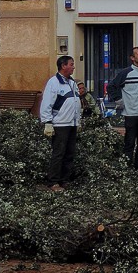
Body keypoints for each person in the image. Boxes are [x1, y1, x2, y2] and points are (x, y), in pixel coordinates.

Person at [39, 56, 82, 191]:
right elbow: (47, 103)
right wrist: (47, 122)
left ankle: (64, 180)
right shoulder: (54, 83)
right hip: (60, 124)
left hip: (71, 123)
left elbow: (76, 103)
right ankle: (53, 182)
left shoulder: (72, 83)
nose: (73, 67)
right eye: (71, 64)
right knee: (59, 153)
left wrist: (78, 121)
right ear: (63, 66)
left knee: (70, 153)